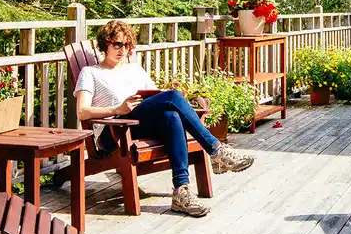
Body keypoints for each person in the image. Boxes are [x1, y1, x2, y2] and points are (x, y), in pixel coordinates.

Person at [75, 20, 254, 217]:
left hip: (139, 125)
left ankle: (181, 191)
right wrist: (118, 108)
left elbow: (154, 95)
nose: (122, 50)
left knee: (171, 115)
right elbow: (82, 112)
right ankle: (216, 151)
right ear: (105, 44)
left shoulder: (135, 69)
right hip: (114, 131)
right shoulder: (91, 73)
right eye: (117, 44)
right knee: (173, 96)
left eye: (126, 45)